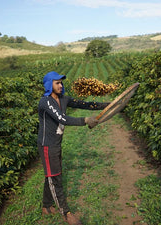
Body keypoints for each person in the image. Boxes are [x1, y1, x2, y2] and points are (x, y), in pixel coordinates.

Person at [37, 71, 109, 225]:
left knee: (51, 175)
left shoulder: (64, 99)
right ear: (50, 85)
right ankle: (66, 213)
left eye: (61, 83)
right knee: (55, 177)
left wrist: (109, 105)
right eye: (57, 83)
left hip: (56, 143)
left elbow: (85, 104)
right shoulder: (46, 101)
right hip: (47, 145)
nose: (61, 85)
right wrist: (85, 120)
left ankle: (46, 206)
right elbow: (62, 118)